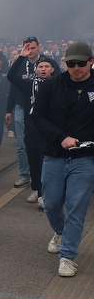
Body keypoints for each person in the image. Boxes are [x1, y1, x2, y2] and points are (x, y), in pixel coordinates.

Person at [32, 41, 94, 278]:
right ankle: (60, 231)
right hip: (55, 154)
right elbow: (37, 117)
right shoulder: (51, 85)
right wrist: (62, 137)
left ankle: (67, 256)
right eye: (71, 64)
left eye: (81, 63)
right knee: (50, 204)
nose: (76, 68)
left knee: (77, 208)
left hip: (85, 158)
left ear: (91, 61)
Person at [6, 37, 41, 188]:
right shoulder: (20, 64)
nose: (30, 51)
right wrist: (9, 109)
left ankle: (40, 179)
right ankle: (24, 175)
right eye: (28, 48)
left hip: (41, 109)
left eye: (33, 48)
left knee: (39, 145)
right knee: (21, 144)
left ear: (38, 47)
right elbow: (13, 85)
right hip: (21, 107)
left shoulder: (46, 63)